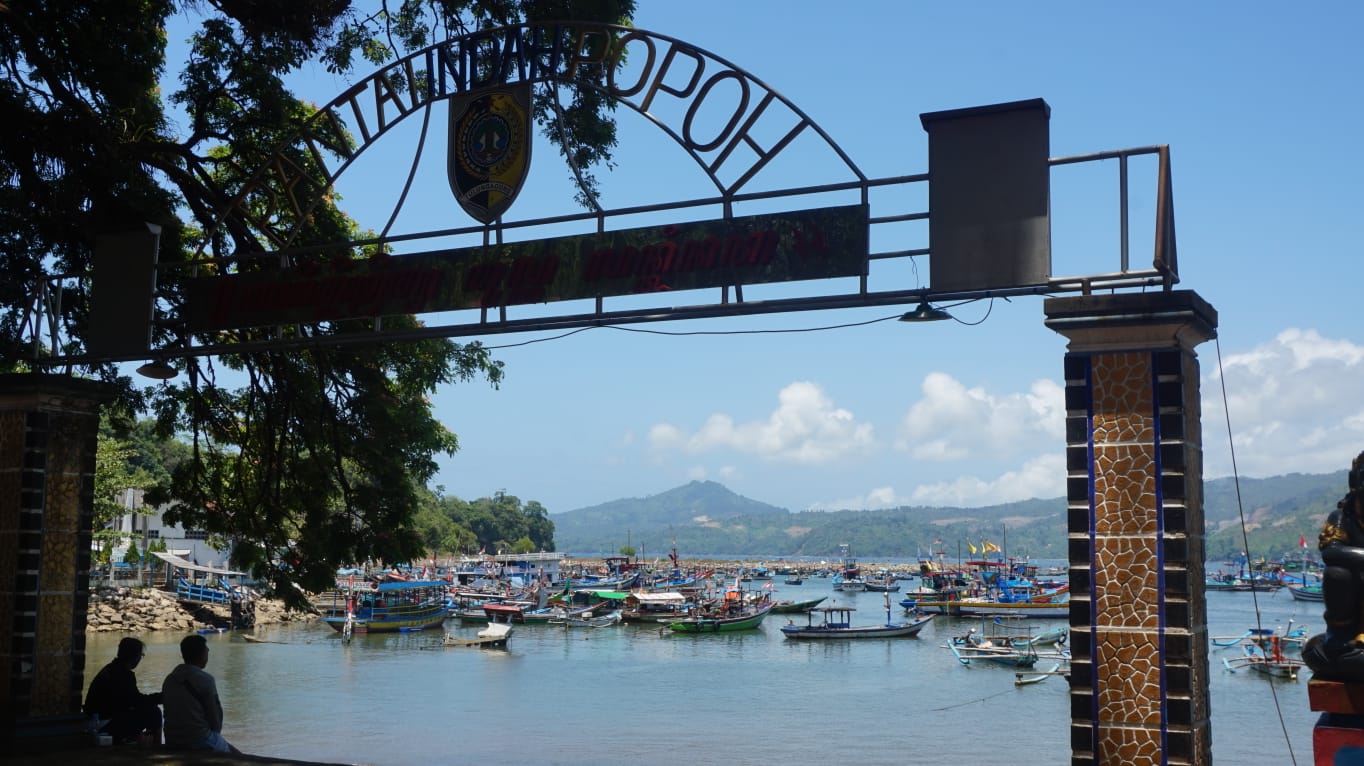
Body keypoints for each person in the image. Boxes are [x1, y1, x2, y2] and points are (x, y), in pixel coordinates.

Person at [1303, 451, 1364, 681]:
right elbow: (1331, 551)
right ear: (1355, 481)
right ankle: (1340, 640)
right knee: (1337, 574)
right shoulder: (1342, 517)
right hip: (1352, 597)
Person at [161, 634, 240, 753]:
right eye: (206, 649)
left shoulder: (169, 679)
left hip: (172, 739)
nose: (208, 651)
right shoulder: (205, 679)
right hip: (197, 740)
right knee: (237, 755)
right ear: (201, 654)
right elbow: (216, 723)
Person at [83, 637, 162, 745]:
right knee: (154, 712)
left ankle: (142, 740)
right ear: (135, 657)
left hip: (93, 721)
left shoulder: (110, 669)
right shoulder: (123, 675)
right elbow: (136, 701)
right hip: (103, 724)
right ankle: (155, 746)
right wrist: (161, 698)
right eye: (141, 656)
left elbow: (129, 700)